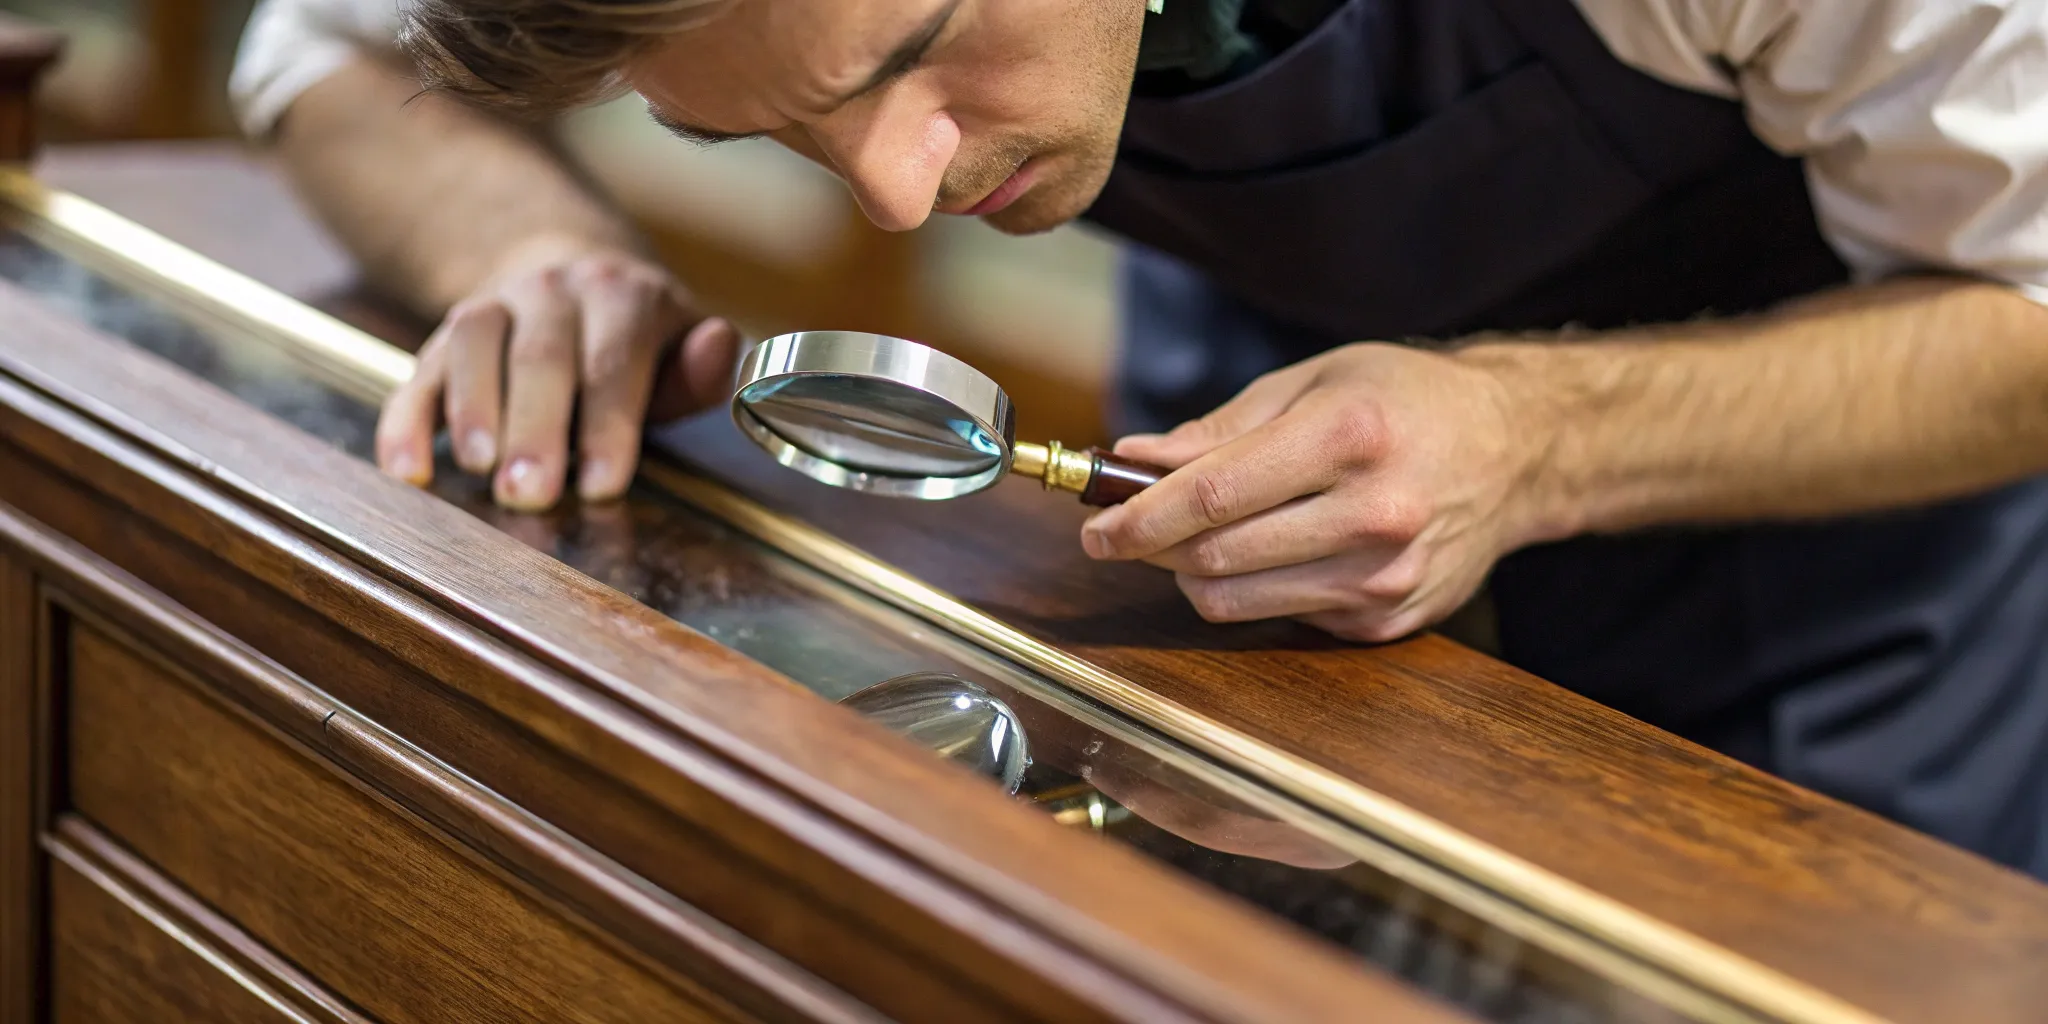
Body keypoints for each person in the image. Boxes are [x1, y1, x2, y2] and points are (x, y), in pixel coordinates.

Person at [233, 0, 2048, 877]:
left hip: (1834, 610)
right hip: (1253, 546)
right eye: (756, 133)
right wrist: (536, 254)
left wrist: (1545, 434)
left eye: (912, 49)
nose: (892, 196)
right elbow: (315, 42)